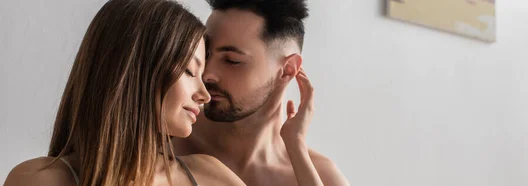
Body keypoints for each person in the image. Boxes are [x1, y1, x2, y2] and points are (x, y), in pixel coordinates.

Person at [4, 0, 245, 185]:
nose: (204, 94)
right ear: (135, 68)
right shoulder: (38, 180)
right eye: (190, 71)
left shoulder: (211, 177)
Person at [172, 0, 350, 185]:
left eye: (232, 61)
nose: (207, 74)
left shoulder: (322, 178)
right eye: (206, 54)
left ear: (288, 69)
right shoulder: (166, 138)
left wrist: (296, 148)